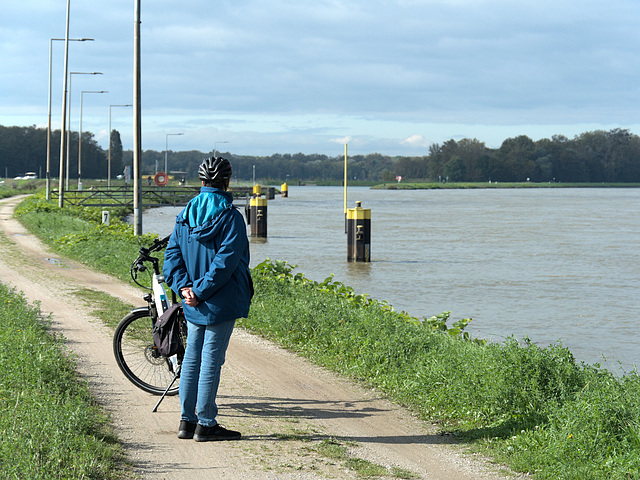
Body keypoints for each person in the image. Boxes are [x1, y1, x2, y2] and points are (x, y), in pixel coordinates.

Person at [163, 156, 253, 442]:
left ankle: (186, 422)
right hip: (219, 301)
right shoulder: (231, 217)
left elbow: (172, 258)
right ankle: (206, 423)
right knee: (211, 361)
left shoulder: (185, 214)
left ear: (201, 182)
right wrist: (200, 291)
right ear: (227, 182)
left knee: (192, 358)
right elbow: (225, 264)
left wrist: (185, 288)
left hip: (192, 300)